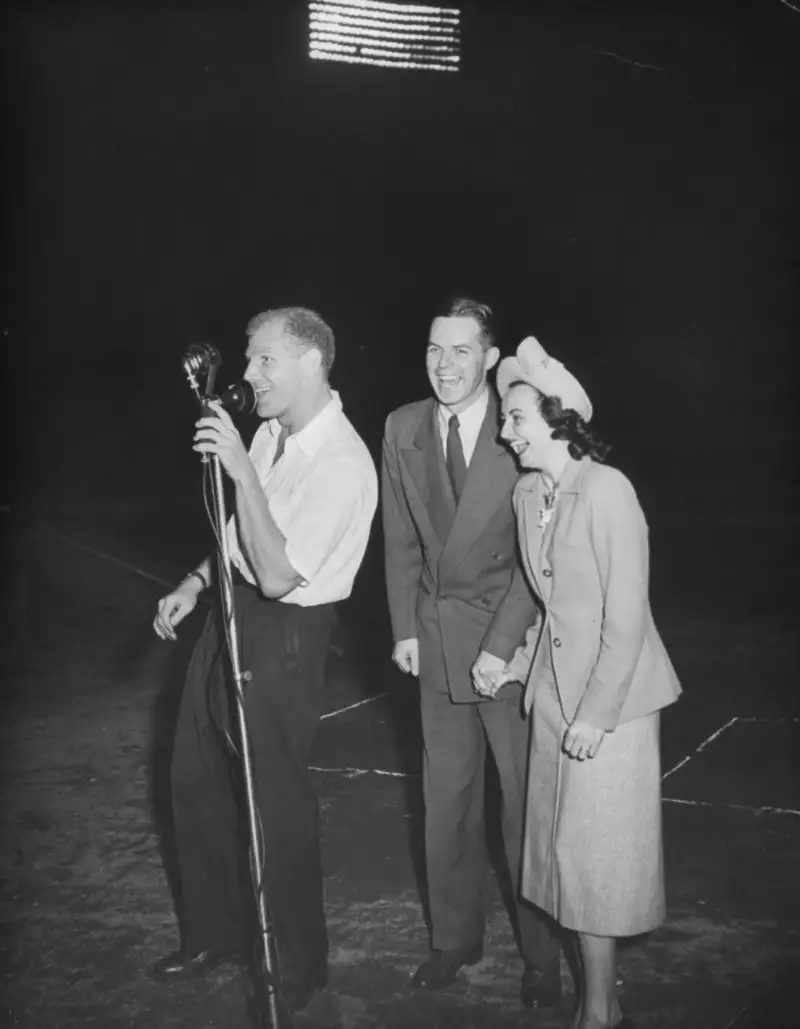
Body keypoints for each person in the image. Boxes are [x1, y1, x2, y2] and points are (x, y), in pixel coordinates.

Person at [151, 307, 378, 1013]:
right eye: (248, 361)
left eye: (264, 361)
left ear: (311, 362)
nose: (248, 377)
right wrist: (196, 580)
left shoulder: (343, 461)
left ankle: (297, 961)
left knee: (270, 796)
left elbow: (279, 573)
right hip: (230, 615)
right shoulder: (273, 434)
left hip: (286, 630)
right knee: (195, 773)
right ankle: (215, 935)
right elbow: (241, 535)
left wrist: (242, 470)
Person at [472, 336, 682, 1029]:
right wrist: (503, 656)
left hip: (608, 707)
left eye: (518, 417)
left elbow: (625, 614)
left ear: (559, 418)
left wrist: (594, 714)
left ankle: (597, 1012)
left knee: (597, 868)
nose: (506, 430)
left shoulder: (606, 489)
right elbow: (538, 595)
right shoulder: (532, 491)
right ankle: (604, 998)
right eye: (505, 418)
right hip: (552, 700)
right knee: (563, 862)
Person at [381, 298, 563, 1008]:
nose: (444, 364)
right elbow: (399, 540)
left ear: (490, 358)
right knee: (446, 797)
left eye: (461, 350)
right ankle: (453, 938)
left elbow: (534, 558)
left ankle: (542, 953)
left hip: (506, 647)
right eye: (434, 348)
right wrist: (403, 626)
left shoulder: (522, 427)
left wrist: (499, 646)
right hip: (434, 636)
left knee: (522, 806)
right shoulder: (401, 427)